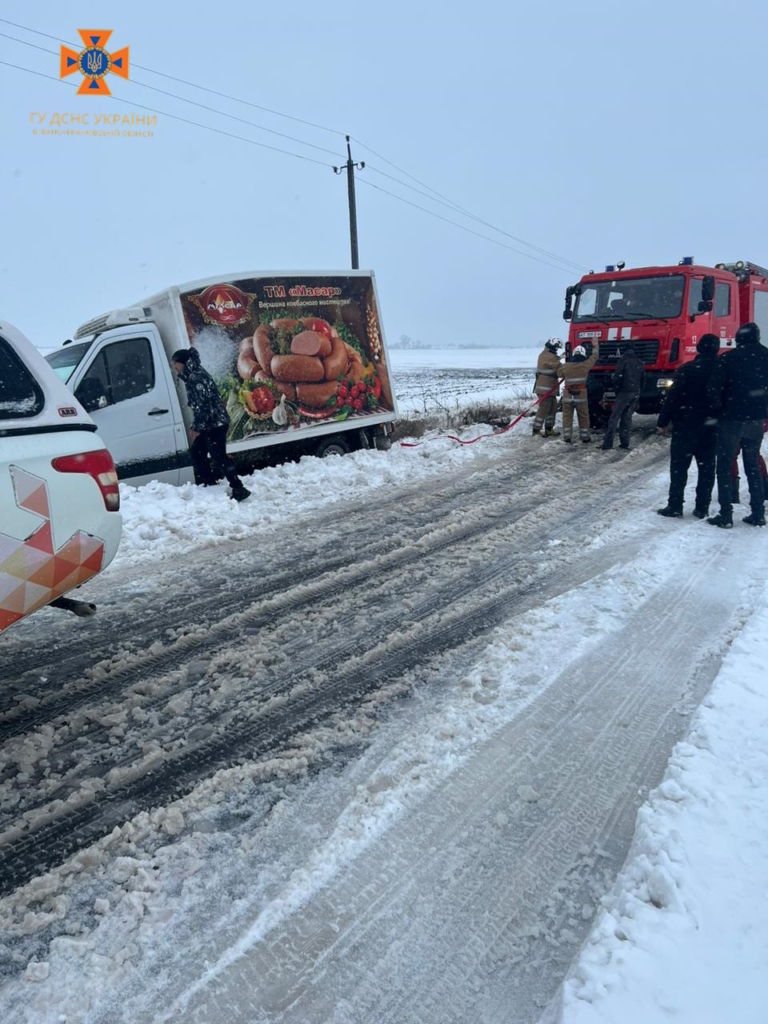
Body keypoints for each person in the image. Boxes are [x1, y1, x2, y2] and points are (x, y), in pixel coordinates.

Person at [706, 322, 768, 528]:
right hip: (756, 420)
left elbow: (714, 391)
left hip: (731, 419)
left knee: (724, 465)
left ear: (739, 337)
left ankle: (725, 514)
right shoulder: (766, 356)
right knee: (752, 464)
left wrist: (717, 412)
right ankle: (758, 513)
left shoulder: (728, 359)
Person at [171, 348, 251, 502]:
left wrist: (196, 427)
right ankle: (209, 484)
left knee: (218, 456)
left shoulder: (196, 377)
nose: (175, 367)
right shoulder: (193, 375)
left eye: (176, 364)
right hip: (211, 423)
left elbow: (204, 405)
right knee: (198, 452)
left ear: (182, 362)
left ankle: (238, 487)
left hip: (215, 423)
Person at [655, 334, 720, 518]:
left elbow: (672, 398)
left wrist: (663, 422)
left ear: (699, 348)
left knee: (679, 467)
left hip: (685, 425)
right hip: (711, 426)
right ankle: (702, 507)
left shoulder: (687, 370)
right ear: (716, 348)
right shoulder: (722, 369)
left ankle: (675, 505)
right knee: (707, 468)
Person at [600, 341, 645, 450]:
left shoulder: (623, 361)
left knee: (614, 417)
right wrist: (639, 392)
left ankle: (607, 444)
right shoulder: (639, 362)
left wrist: (617, 391)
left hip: (625, 392)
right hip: (635, 392)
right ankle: (625, 443)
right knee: (627, 418)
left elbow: (617, 378)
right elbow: (643, 379)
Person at [557, 341, 600, 443]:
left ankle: (567, 437)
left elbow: (559, 373)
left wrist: (559, 360)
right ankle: (585, 437)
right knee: (583, 416)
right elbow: (594, 357)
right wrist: (595, 346)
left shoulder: (566, 366)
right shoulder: (585, 365)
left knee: (567, 416)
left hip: (568, 395)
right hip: (581, 395)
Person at [532, 337, 562, 436]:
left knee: (552, 408)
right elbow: (559, 367)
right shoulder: (547, 356)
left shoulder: (546, 354)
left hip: (550, 388)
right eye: (556, 347)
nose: (557, 349)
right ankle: (536, 430)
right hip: (545, 388)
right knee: (544, 409)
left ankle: (549, 429)